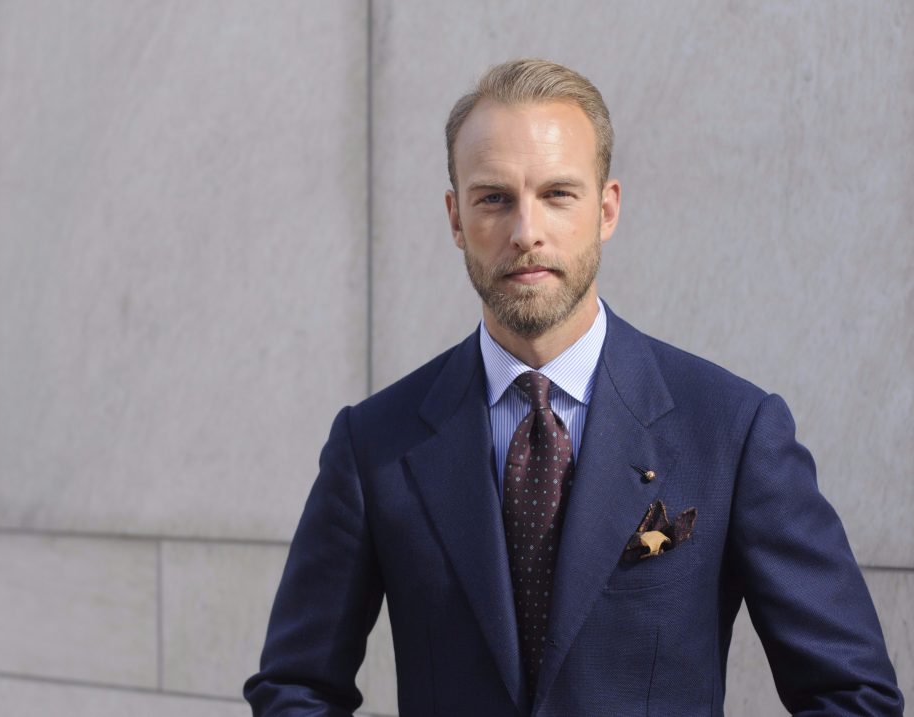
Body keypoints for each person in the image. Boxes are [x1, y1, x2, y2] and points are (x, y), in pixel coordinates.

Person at [244, 59, 903, 716]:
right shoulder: (373, 444)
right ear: (455, 217)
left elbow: (854, 694)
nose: (526, 232)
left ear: (606, 209)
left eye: (558, 193)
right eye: (494, 198)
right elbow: (295, 687)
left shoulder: (732, 431)